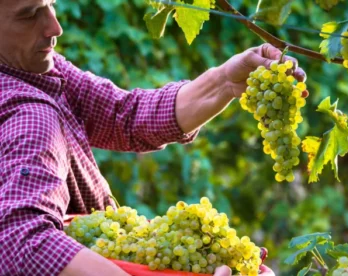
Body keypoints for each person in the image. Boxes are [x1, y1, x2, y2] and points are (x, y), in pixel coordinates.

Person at [0, 0, 306, 275]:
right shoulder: (30, 115)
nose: (55, 26)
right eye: (29, 15)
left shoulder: (38, 70)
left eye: (51, 3)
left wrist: (224, 81)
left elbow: (125, 117)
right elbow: (21, 243)